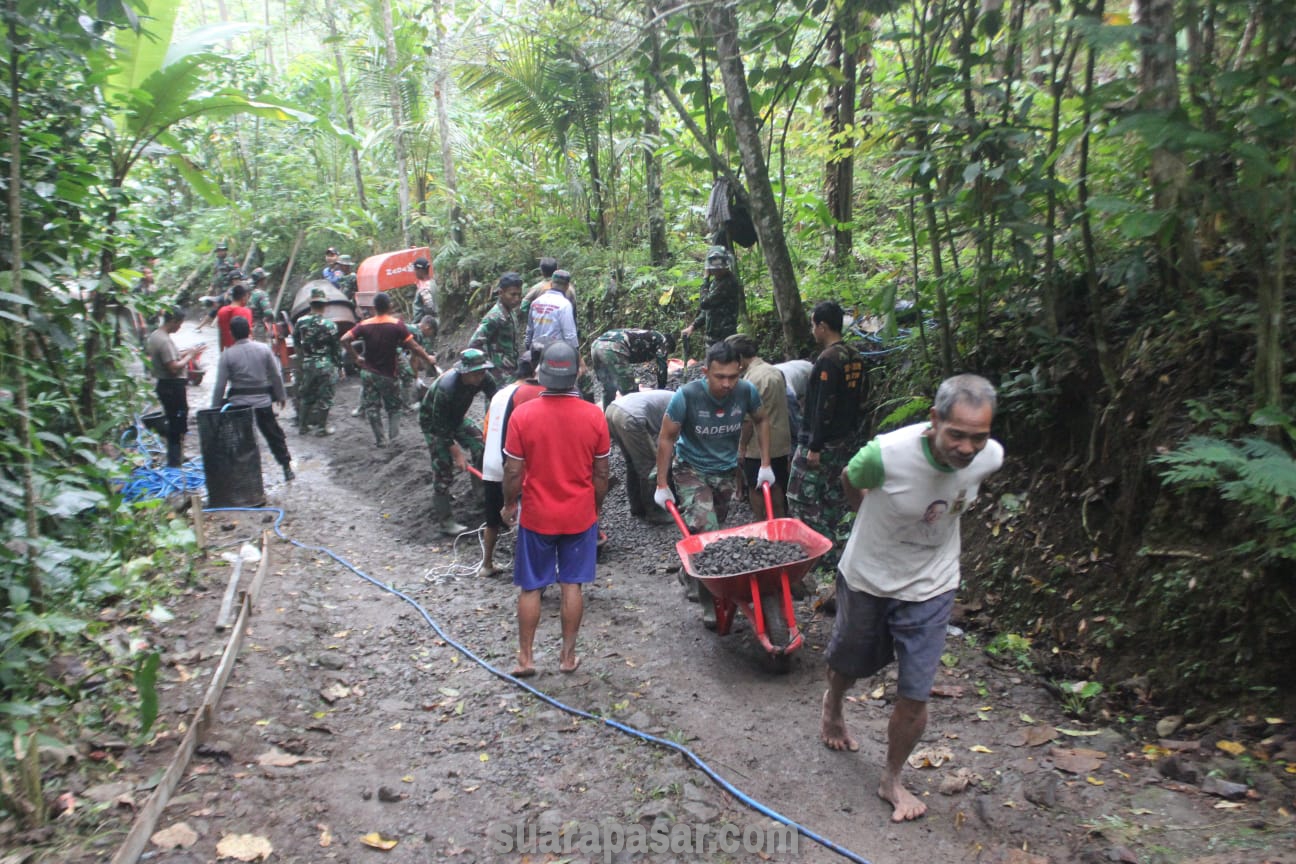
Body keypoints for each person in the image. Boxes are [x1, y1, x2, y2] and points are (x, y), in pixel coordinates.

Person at [820, 374, 1003, 823]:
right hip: (869, 576)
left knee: (915, 691)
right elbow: (850, 479)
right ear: (934, 420)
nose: (966, 448)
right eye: (956, 434)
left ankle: (892, 778)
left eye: (977, 437)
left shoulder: (990, 458)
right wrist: (867, 513)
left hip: (933, 584)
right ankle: (834, 704)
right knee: (850, 661)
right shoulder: (886, 454)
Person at [501, 342, 610, 677]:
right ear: (577, 372)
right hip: (579, 515)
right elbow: (602, 473)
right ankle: (567, 657)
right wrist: (594, 507)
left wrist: (508, 504)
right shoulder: (594, 415)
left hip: (537, 515)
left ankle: (526, 658)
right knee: (571, 585)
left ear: (541, 373)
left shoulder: (523, 414)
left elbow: (513, 471)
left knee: (531, 586)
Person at [654, 340, 775, 624]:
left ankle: (690, 571)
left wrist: (765, 464)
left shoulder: (746, 391)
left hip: (724, 469)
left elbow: (761, 420)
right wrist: (662, 483)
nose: (727, 384)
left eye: (733, 376)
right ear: (706, 372)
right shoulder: (687, 395)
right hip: (690, 468)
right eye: (720, 377)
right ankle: (710, 602)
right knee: (707, 531)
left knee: (713, 530)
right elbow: (666, 437)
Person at [787, 301, 865, 569]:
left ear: (822, 326)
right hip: (845, 440)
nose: (812, 331)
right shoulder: (854, 356)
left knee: (800, 495)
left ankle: (818, 554)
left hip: (822, 442)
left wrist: (814, 445)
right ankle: (837, 552)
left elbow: (822, 405)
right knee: (833, 497)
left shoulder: (827, 360)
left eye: (813, 326)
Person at [419, 348, 498, 535]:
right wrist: (457, 454)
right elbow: (440, 427)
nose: (480, 377)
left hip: (457, 418)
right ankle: (445, 521)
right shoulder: (447, 387)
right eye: (476, 373)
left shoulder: (485, 378)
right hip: (433, 423)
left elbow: (498, 402)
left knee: (482, 448)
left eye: (482, 371)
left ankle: (482, 498)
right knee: (444, 466)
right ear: (465, 372)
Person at [341, 291, 435, 447]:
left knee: (372, 408)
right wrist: (428, 358)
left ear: (374, 307)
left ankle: (380, 441)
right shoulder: (396, 325)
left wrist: (356, 357)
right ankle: (394, 439)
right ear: (389, 306)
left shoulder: (364, 324)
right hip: (387, 374)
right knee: (394, 408)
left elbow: (344, 339)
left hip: (368, 373)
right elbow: (414, 347)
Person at [479, 357, 544, 577]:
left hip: (490, 461)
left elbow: (486, 430)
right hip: (511, 462)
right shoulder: (528, 395)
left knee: (492, 519)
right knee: (524, 514)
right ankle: (525, 566)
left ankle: (486, 564)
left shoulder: (499, 393)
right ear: (533, 374)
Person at [210, 315, 295, 482]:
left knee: (240, 440)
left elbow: (220, 385)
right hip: (263, 402)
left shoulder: (227, 355)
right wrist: (281, 395)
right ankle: (286, 467)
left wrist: (214, 408)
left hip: (239, 406)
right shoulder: (263, 349)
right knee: (273, 435)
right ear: (250, 330)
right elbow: (276, 375)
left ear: (232, 334)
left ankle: (245, 475)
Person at [725, 335, 793, 520]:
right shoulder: (775, 371)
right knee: (778, 483)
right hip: (780, 440)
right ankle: (780, 521)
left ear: (739, 357)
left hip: (757, 444)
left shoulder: (750, 381)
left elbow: (748, 420)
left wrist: (741, 447)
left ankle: (762, 522)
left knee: (755, 486)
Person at [146, 307, 205, 468]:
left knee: (174, 420)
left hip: (165, 385)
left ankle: (177, 455)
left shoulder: (156, 336)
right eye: (179, 323)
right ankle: (175, 460)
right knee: (177, 423)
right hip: (172, 385)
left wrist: (186, 352)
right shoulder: (164, 340)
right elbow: (173, 367)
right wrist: (190, 357)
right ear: (173, 321)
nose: (180, 327)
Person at [604, 389, 673, 524]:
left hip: (612, 410)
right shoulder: (685, 406)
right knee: (651, 464)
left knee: (633, 462)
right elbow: (669, 444)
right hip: (630, 416)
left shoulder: (675, 398)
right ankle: (655, 512)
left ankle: (637, 506)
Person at [293, 287, 343, 436]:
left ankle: (303, 426)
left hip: (308, 363)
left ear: (311, 304)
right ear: (325, 305)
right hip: (325, 365)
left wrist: (302, 358)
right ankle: (322, 428)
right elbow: (336, 349)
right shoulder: (330, 326)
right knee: (325, 397)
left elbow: (296, 342)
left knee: (307, 395)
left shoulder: (300, 322)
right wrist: (339, 367)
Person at [589, 328, 675, 408]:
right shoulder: (663, 341)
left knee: (609, 388)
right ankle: (633, 419)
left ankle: (606, 418)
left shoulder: (648, 335)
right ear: (668, 346)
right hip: (613, 348)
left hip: (596, 346)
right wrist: (661, 390)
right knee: (630, 392)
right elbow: (662, 367)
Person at [468, 272, 525, 387]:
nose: (517, 299)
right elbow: (474, 343)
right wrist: (489, 366)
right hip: (498, 376)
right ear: (501, 293)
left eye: (519, 295)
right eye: (512, 294)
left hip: (511, 373)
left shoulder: (510, 312)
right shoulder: (495, 316)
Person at [680, 245, 741, 348]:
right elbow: (708, 310)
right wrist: (693, 326)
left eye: (719, 269)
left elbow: (704, 303)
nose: (716, 272)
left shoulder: (727, 283)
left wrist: (705, 279)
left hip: (724, 338)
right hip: (713, 338)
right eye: (714, 269)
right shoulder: (716, 282)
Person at [524, 269, 578, 356]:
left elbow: (529, 330)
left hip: (536, 350)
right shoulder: (565, 305)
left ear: (550, 284)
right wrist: (576, 355)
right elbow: (570, 335)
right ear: (567, 286)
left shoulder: (536, 302)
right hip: (555, 353)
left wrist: (528, 348)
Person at [214, 281, 253, 351]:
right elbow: (248, 335)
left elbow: (221, 335)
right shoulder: (245, 311)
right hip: (242, 351)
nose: (248, 299)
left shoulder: (221, 311)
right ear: (244, 297)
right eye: (248, 297)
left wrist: (222, 352)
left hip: (228, 350)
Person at [411, 257, 439, 342]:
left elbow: (429, 307)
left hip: (426, 328)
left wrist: (421, 325)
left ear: (420, 270)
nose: (414, 272)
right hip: (432, 325)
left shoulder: (424, 288)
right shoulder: (432, 283)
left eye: (415, 270)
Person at [247, 268, 274, 342]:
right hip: (259, 327)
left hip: (249, 325)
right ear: (261, 280)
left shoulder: (249, 294)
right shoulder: (262, 294)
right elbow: (268, 312)